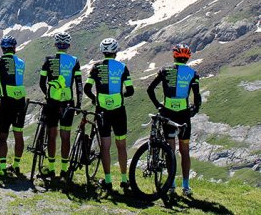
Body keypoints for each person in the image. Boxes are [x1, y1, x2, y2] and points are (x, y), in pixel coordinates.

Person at [146, 44, 202, 196]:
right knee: (185, 151)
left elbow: (150, 89)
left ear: (174, 56)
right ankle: (186, 186)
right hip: (184, 115)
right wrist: (194, 110)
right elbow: (197, 98)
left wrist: (159, 106)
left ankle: (171, 184)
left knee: (170, 150)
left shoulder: (165, 71)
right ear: (187, 57)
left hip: (167, 114)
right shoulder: (193, 73)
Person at [84, 38, 134, 191]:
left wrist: (94, 99)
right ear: (116, 51)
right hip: (119, 110)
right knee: (121, 145)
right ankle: (124, 180)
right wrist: (119, 95)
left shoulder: (96, 67)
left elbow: (87, 88)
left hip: (102, 110)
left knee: (105, 146)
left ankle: (108, 180)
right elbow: (131, 90)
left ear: (102, 51)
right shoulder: (122, 67)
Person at [38, 32, 83, 178]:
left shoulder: (48, 60)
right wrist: (78, 104)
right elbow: (79, 85)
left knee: (52, 135)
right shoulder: (74, 61)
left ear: (55, 45)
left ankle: (51, 168)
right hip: (68, 104)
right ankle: (64, 169)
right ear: (68, 46)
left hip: (52, 102)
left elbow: (41, 82)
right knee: (65, 136)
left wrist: (47, 94)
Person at [0, 35, 26, 177]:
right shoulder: (21, 62)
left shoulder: (0, 61)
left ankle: (2, 167)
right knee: (18, 134)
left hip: (6, 102)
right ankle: (16, 165)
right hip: (20, 102)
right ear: (14, 48)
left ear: (3, 49)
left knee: (3, 136)